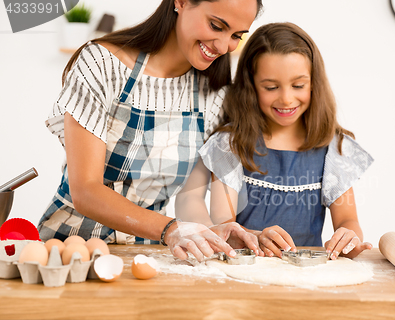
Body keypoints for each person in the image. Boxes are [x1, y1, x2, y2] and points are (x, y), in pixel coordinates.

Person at [37, 0, 264, 262]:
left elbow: (190, 201)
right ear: (180, 2)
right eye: (216, 26)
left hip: (147, 257)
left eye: (236, 35)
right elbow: (86, 191)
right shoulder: (102, 64)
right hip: (65, 252)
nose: (224, 47)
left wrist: (215, 234)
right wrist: (169, 228)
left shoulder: (213, 95)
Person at [177, 22, 374, 260]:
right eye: (271, 87)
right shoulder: (230, 145)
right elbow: (224, 227)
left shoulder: (334, 148)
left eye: (298, 85)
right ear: (251, 86)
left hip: (307, 280)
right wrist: (256, 236)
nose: (287, 98)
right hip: (246, 273)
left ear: (314, 83)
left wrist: (348, 237)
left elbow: (347, 220)